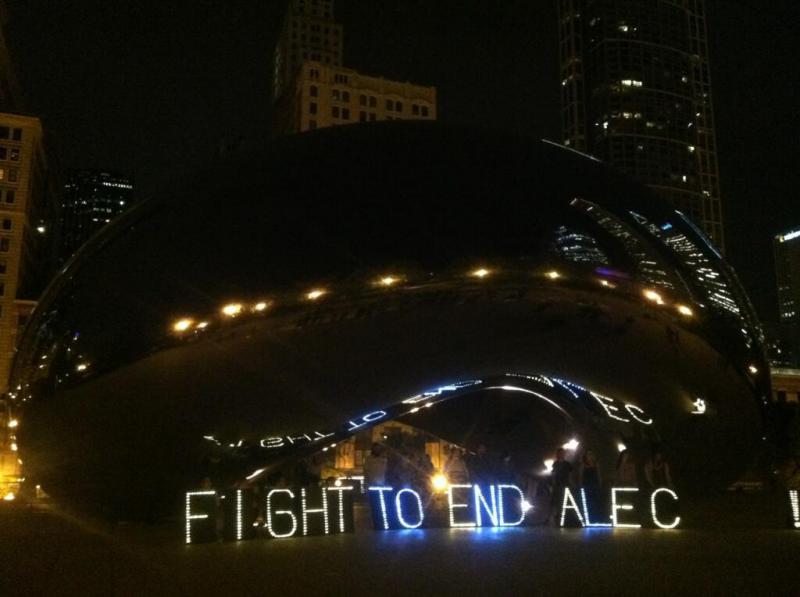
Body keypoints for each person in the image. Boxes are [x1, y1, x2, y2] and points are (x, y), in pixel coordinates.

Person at [549, 448, 573, 525]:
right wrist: (553, 483)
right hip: (557, 484)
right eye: (560, 453)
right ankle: (556, 517)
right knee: (557, 501)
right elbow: (553, 474)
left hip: (565, 484)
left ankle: (564, 517)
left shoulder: (567, 464)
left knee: (564, 500)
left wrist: (571, 483)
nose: (561, 454)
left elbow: (570, 474)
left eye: (562, 453)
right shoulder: (555, 463)